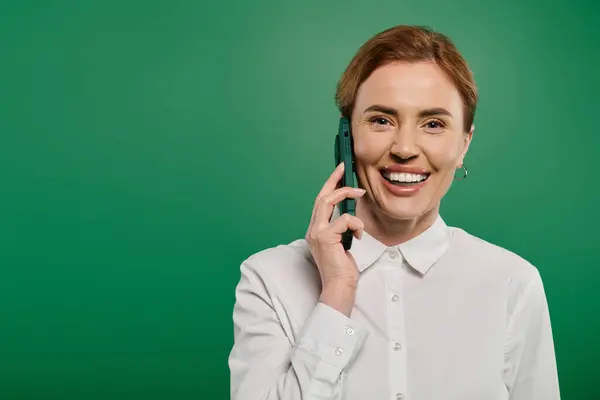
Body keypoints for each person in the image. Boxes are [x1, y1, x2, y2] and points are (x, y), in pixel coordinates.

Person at [228, 25, 560, 400]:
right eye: (381, 120)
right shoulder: (270, 280)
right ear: (346, 139)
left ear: (464, 143)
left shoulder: (513, 283)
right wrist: (336, 294)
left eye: (433, 124)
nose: (405, 148)